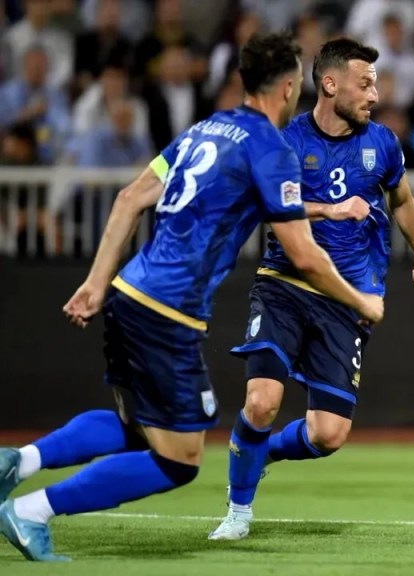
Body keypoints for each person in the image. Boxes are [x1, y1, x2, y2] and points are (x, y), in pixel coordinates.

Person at [0, 32, 384, 562]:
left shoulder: (206, 130)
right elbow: (304, 254)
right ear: (289, 86)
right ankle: (31, 510)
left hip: (130, 291)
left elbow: (130, 197)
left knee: (138, 427)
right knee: (179, 460)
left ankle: (19, 461)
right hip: (168, 312)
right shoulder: (271, 148)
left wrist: (95, 283)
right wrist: (361, 301)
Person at [207, 37, 414, 541]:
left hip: (346, 300)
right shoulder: (286, 142)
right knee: (261, 401)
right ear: (330, 84)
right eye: (365, 84)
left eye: (375, 85)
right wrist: (329, 210)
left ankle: (258, 451)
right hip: (284, 284)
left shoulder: (383, 143)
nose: (375, 95)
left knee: (328, 434)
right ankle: (238, 511)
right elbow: (265, 206)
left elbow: (401, 200)